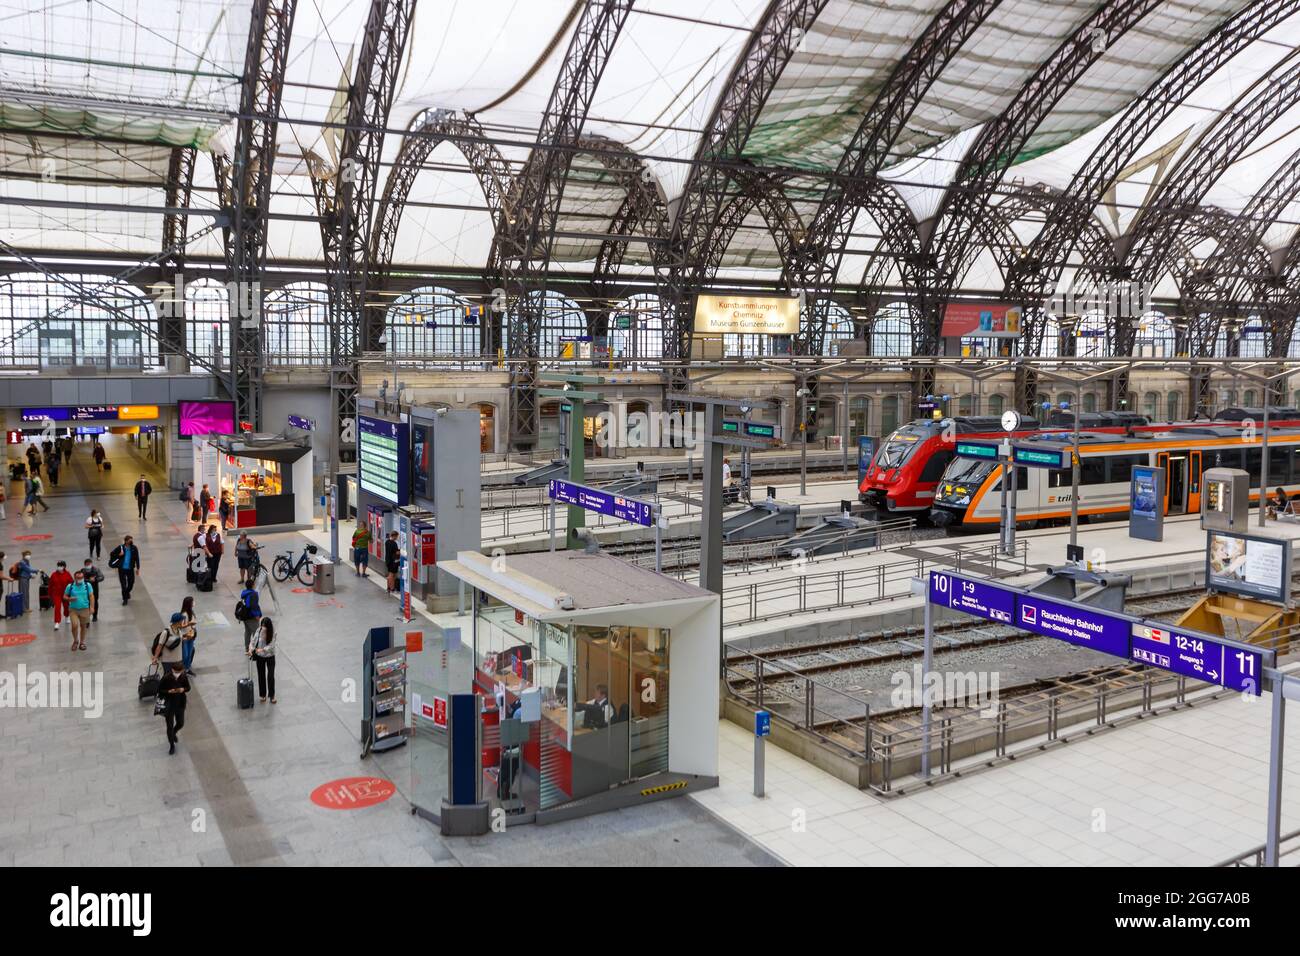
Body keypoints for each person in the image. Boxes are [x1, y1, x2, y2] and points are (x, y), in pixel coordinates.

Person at [157, 660, 190, 755]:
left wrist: (183, 689)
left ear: (182, 670)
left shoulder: (183, 676)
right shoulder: (166, 678)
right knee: (169, 726)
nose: (177, 673)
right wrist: (168, 691)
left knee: (180, 723)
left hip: (180, 704)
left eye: (179, 672)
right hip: (169, 705)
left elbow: (188, 687)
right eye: (175, 671)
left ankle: (174, 732)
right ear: (172, 670)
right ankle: (171, 745)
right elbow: (159, 690)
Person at [247, 616, 277, 704]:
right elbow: (253, 642)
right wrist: (250, 649)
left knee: (270, 676)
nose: (263, 629)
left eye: (264, 627)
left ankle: (272, 695)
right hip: (260, 657)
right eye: (262, 626)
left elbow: (272, 645)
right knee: (261, 675)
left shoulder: (273, 632)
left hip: (270, 656)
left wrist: (262, 649)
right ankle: (263, 694)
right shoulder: (259, 630)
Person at [64, 569, 95, 652]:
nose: (81, 579)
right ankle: (75, 641)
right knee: (74, 625)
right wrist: (70, 599)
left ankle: (82, 642)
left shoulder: (87, 585)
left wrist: (92, 607)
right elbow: (65, 596)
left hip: (84, 608)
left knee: (83, 626)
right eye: (79, 578)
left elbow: (91, 596)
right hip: (73, 609)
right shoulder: (70, 586)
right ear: (75, 578)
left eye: (82, 577)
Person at [110, 534, 141, 605]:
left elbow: (137, 558)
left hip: (130, 569)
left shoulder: (134, 548)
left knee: (131, 583)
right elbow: (112, 554)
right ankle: (125, 599)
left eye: (131, 540)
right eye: (130, 541)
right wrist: (119, 555)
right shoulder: (120, 547)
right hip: (122, 569)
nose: (131, 542)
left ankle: (127, 592)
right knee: (123, 585)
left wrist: (138, 568)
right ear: (126, 541)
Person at [47, 561, 73, 633]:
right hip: (56, 594)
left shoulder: (67, 574)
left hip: (65, 594)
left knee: (66, 606)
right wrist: (49, 594)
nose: (59, 567)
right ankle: (57, 622)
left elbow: (71, 583)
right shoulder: (54, 574)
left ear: (64, 567)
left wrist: (71, 593)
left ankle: (67, 616)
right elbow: (50, 585)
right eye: (58, 565)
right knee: (57, 608)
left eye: (61, 566)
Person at [177, 595, 198, 675]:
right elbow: (180, 626)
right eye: (192, 601)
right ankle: (182, 669)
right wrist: (189, 624)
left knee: (189, 653)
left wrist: (194, 629)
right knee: (185, 655)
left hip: (191, 635)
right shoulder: (184, 614)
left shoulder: (192, 612)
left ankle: (187, 669)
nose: (194, 603)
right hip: (185, 637)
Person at [238, 582, 263, 647]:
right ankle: (255, 648)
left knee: (247, 632)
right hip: (251, 617)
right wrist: (256, 615)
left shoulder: (244, 593)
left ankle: (247, 648)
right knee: (256, 633)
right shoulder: (253, 594)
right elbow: (253, 606)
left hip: (244, 615)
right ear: (253, 585)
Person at [81, 557, 103, 622]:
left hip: (94, 588)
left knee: (95, 602)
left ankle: (95, 616)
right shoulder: (82, 571)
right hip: (85, 589)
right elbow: (80, 579)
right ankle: (87, 616)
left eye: (89, 564)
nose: (88, 565)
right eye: (87, 564)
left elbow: (102, 577)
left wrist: (95, 579)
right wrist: (88, 580)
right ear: (85, 565)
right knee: (86, 603)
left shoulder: (96, 569)